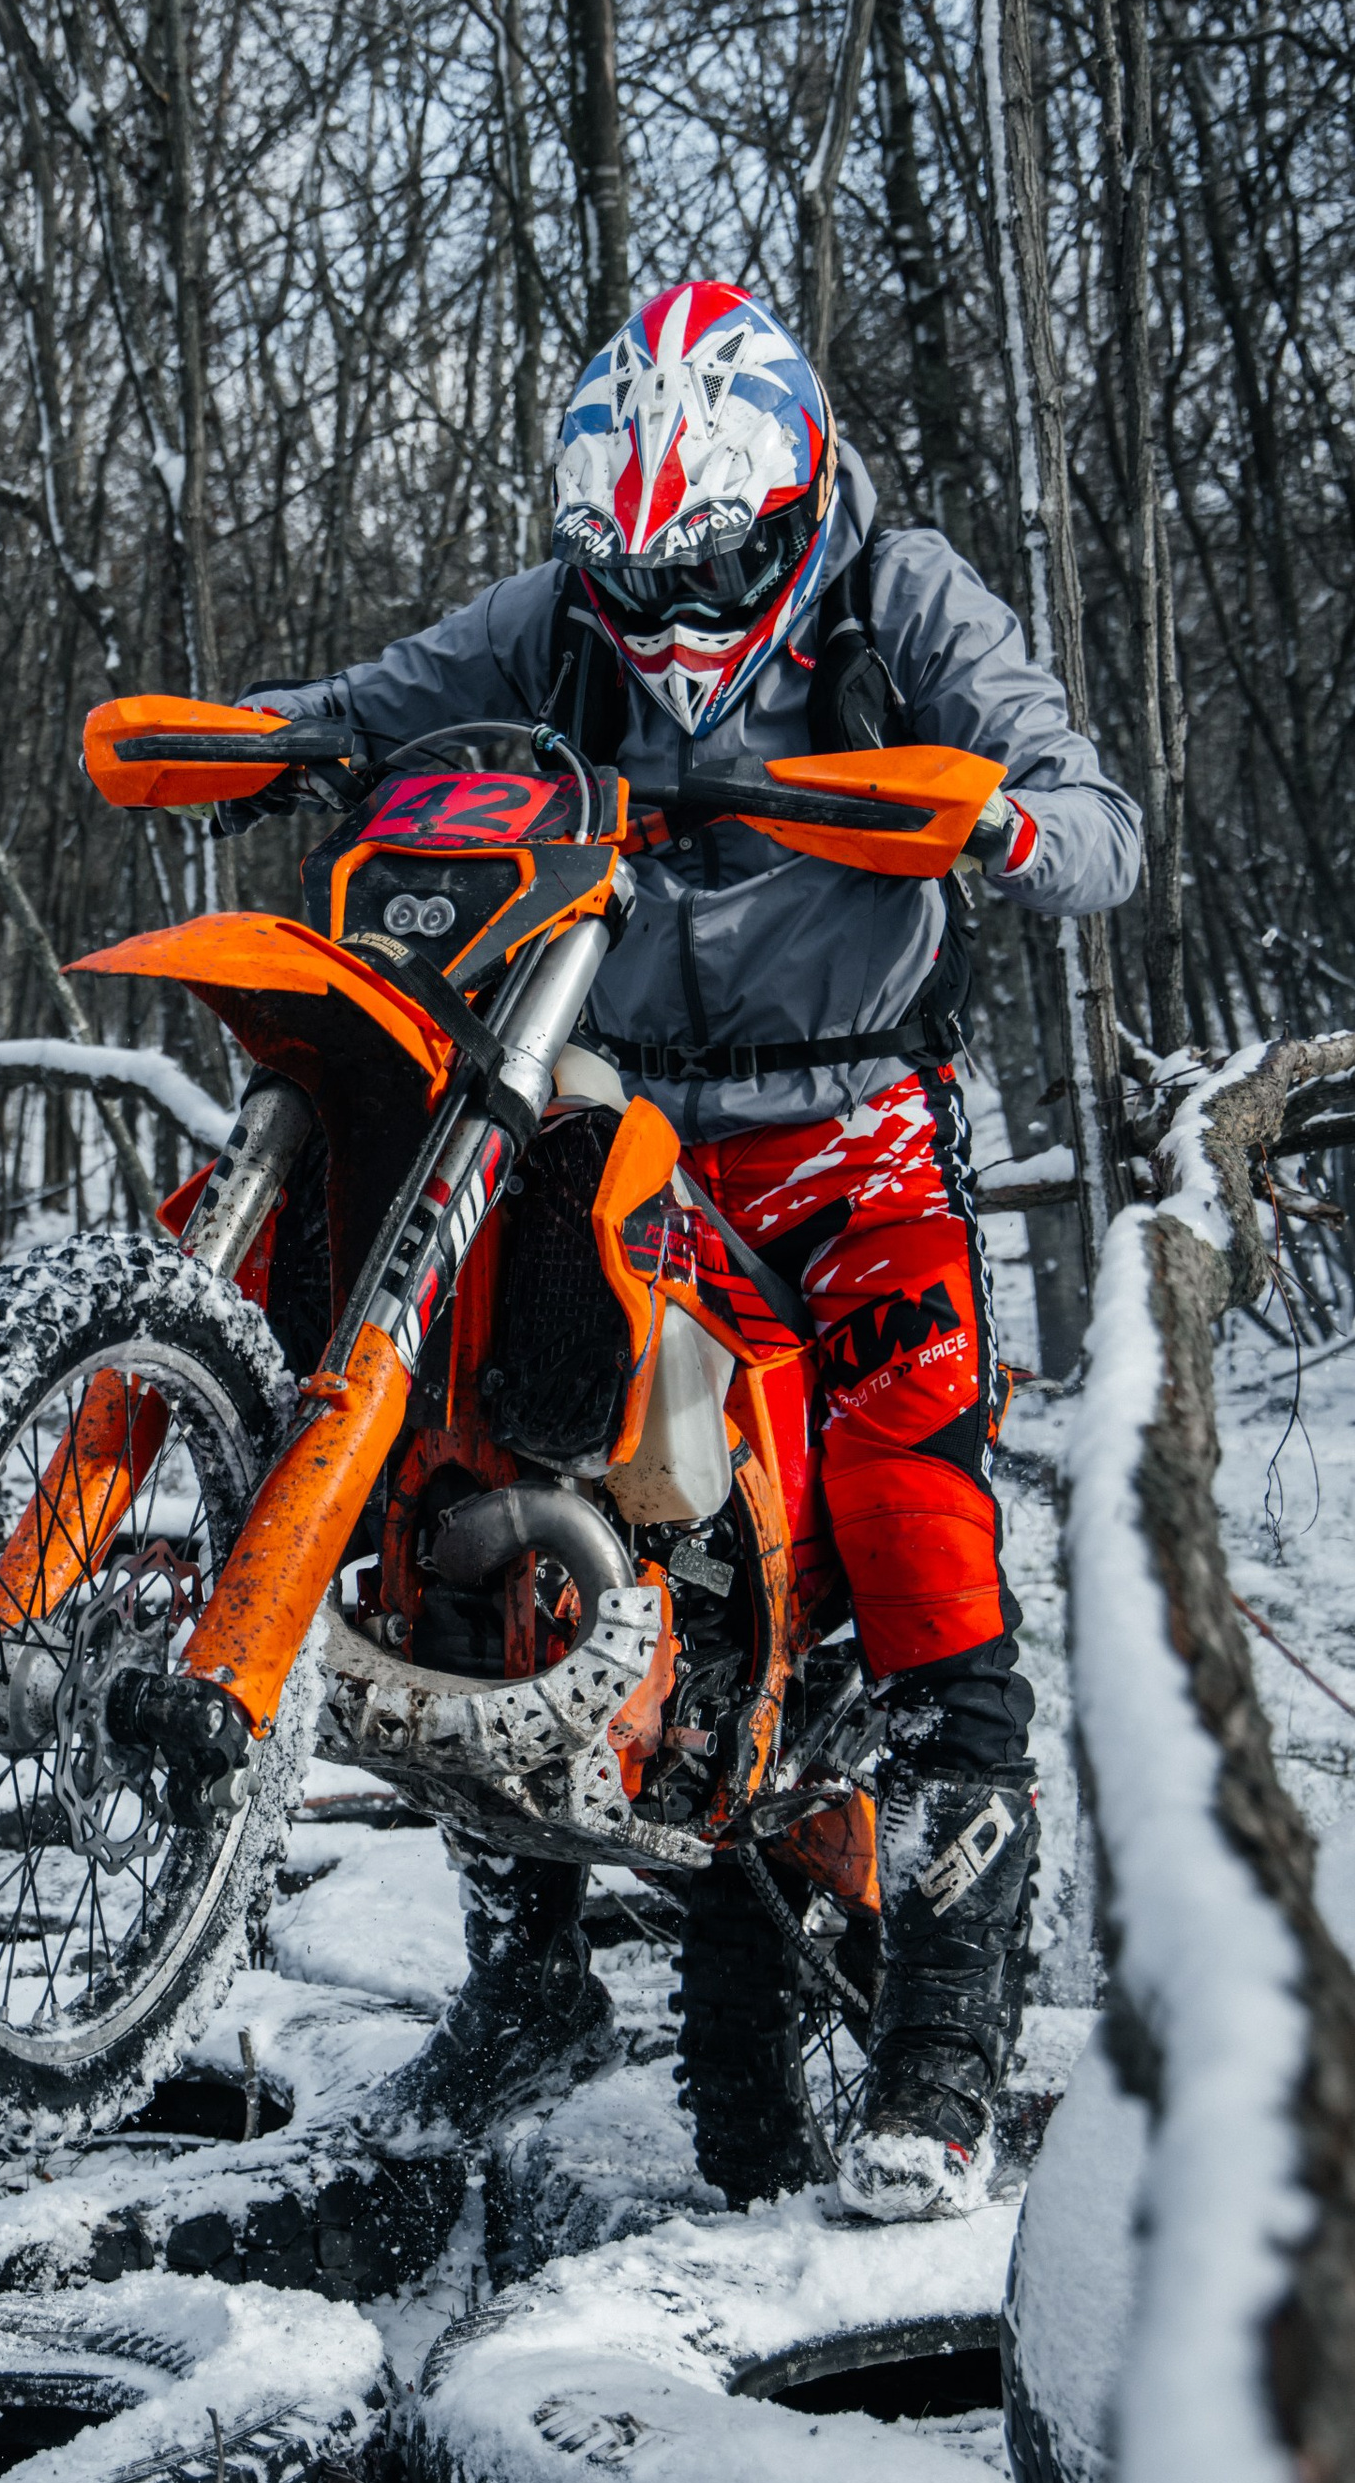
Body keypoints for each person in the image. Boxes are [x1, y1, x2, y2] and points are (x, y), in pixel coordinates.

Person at [262, 280, 1139, 2224]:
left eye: (700, 564)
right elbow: (377, 702)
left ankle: (935, 2035)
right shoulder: (561, 618)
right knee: (486, 1468)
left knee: (908, 1501)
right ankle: (525, 1974)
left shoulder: (890, 593)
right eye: (625, 569)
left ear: (785, 501)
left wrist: (997, 820)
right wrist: (262, 741)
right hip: (615, 1109)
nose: (658, 615)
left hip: (850, 1136)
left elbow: (1094, 821)